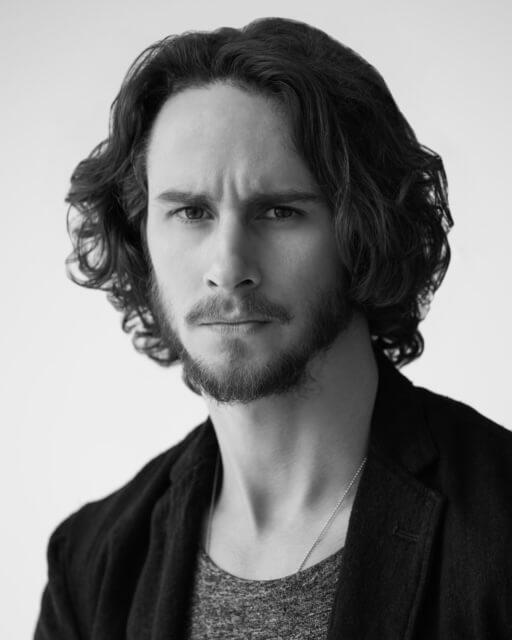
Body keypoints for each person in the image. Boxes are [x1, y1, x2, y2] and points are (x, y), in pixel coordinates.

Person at [35, 16, 511, 639]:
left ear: (363, 230)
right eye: (189, 212)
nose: (227, 268)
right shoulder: (91, 566)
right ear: (140, 237)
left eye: (280, 211)